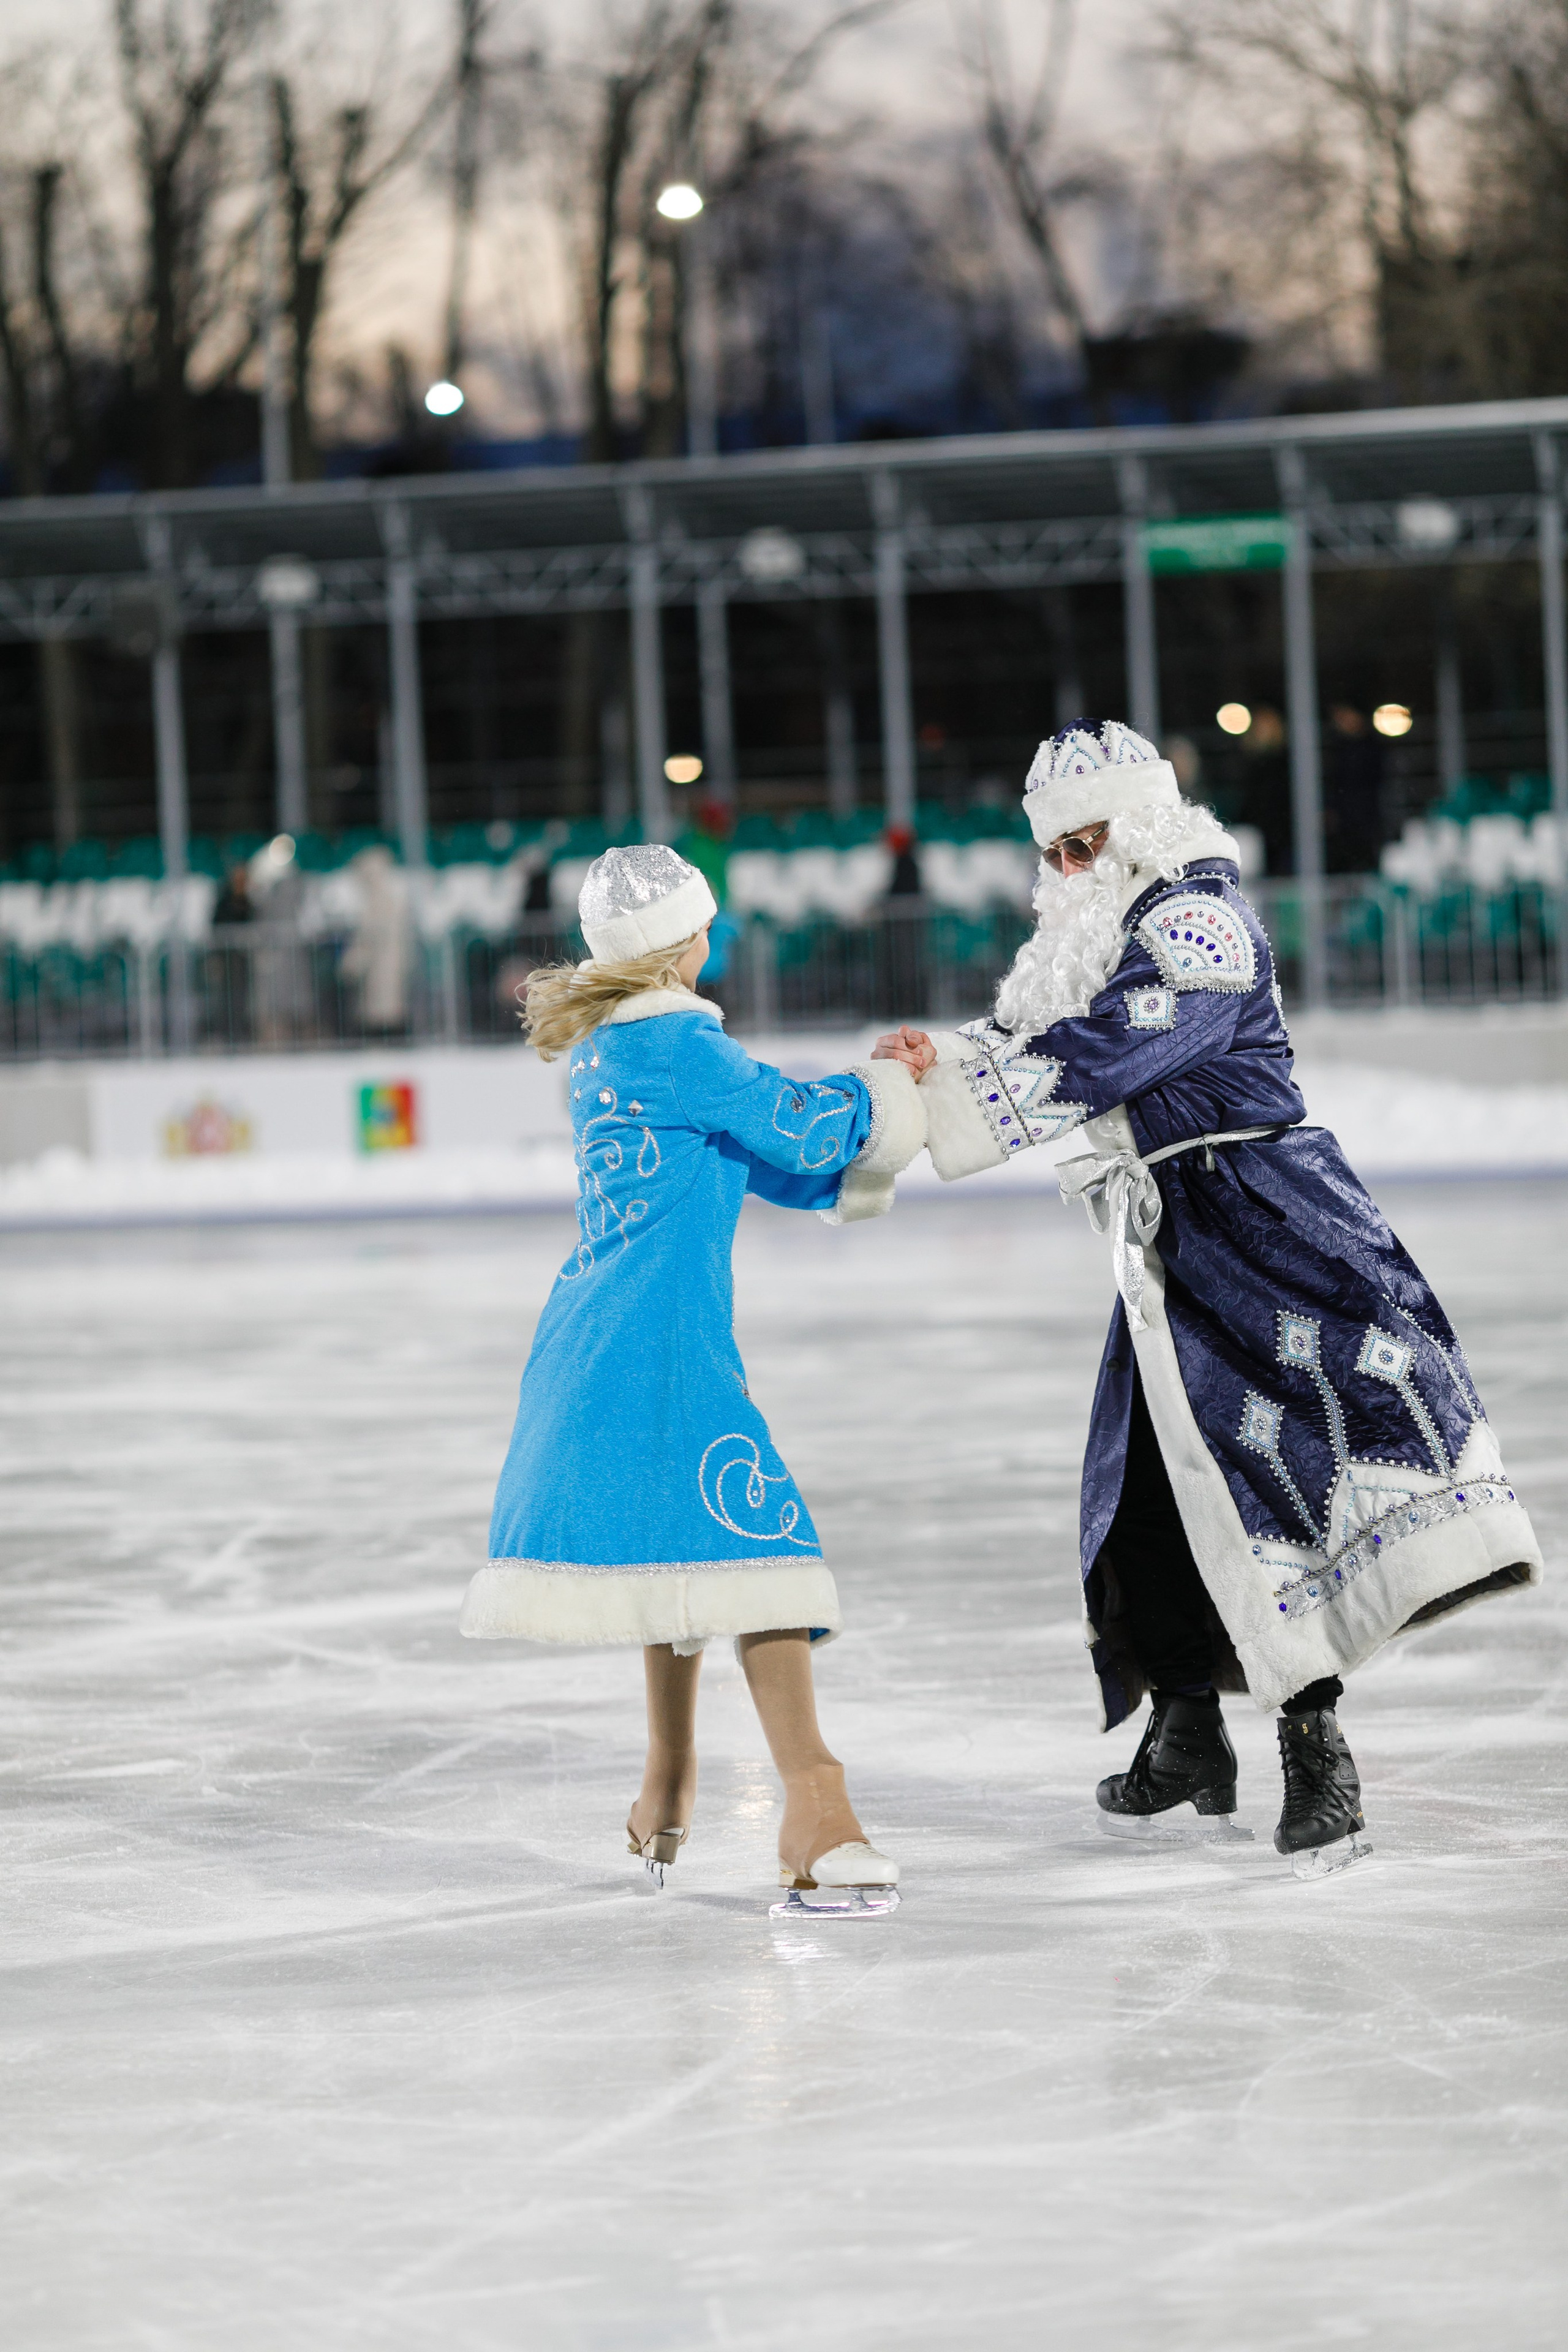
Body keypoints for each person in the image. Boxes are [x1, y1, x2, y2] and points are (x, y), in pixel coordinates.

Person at [875, 718, 1542, 1873]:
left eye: (1088, 846)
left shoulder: (1196, 917)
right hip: (1180, 1236)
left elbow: (1115, 1045)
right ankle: (1187, 1728)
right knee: (1140, 1491)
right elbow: (1049, 1026)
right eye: (1058, 855)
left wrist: (956, 1099)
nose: (1070, 872)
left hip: (1271, 1230)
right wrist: (936, 1061)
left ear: (1143, 825)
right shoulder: (1114, 929)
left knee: (1266, 1484)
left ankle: (1315, 1747)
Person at [460, 843, 926, 1904]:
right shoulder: (676, 1041)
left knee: (682, 1551)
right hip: (658, 1344)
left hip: (602, 1335)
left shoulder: (611, 1050)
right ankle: (814, 1805)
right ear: (686, 942)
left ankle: (666, 1787)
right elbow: (804, 1127)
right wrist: (894, 1085)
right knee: (766, 1547)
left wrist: (862, 1119)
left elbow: (765, 1161)